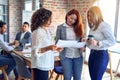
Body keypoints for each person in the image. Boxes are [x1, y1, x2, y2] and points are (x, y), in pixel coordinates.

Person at [31, 8, 62, 80]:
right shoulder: (37, 32)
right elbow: (36, 51)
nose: (51, 21)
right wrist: (49, 48)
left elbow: (47, 45)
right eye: (49, 19)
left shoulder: (46, 31)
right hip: (40, 65)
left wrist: (56, 49)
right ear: (42, 19)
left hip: (45, 63)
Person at [86, 6, 116, 80]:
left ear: (96, 15)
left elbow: (112, 41)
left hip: (101, 55)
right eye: (88, 15)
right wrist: (87, 41)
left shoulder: (104, 25)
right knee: (93, 77)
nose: (89, 18)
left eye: (91, 15)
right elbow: (91, 44)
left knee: (96, 78)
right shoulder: (92, 27)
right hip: (92, 53)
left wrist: (98, 43)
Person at [56, 9, 85, 80]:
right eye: (71, 18)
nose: (72, 21)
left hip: (78, 56)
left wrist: (83, 47)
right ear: (67, 15)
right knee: (67, 77)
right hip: (66, 56)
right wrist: (59, 47)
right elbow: (57, 42)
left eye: (75, 20)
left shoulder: (79, 27)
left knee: (77, 78)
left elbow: (83, 41)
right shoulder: (60, 27)